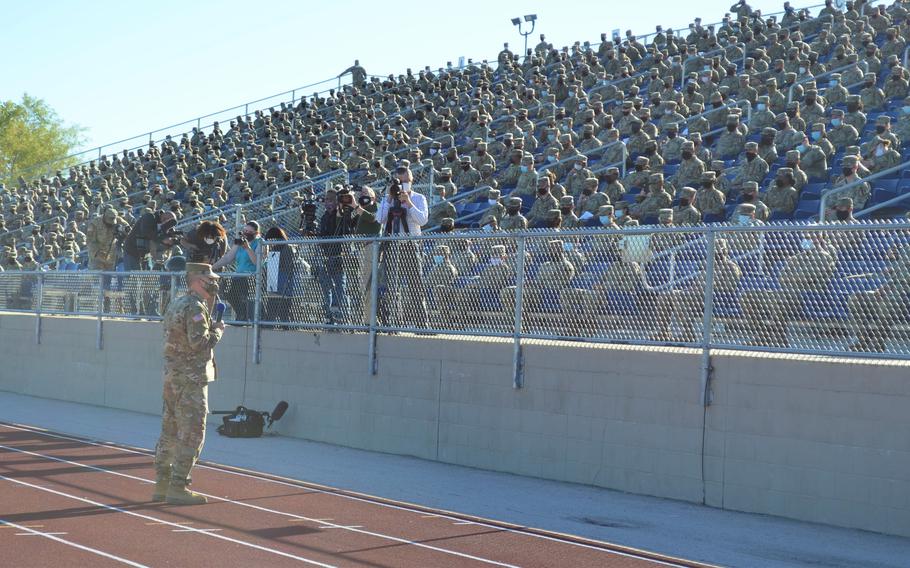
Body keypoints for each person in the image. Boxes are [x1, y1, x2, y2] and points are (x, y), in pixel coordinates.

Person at [153, 262, 224, 506]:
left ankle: (162, 483)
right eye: (209, 279)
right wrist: (218, 332)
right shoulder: (194, 306)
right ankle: (178, 485)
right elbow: (198, 342)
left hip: (172, 376)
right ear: (197, 280)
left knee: (170, 430)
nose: (214, 282)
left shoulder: (178, 302)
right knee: (192, 432)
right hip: (190, 379)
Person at [376, 162, 430, 328]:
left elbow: (423, 220)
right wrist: (390, 198)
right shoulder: (389, 199)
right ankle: (393, 323)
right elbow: (380, 219)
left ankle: (422, 324)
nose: (402, 185)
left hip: (411, 245)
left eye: (405, 181)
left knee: (416, 285)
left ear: (411, 180)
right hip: (392, 245)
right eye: (399, 182)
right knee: (392, 286)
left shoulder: (419, 198)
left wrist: (409, 203)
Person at [318, 187, 358, 325]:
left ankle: (342, 315)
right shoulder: (324, 217)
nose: (327, 203)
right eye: (326, 200)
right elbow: (322, 237)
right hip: (326, 256)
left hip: (340, 256)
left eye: (330, 200)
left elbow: (348, 230)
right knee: (326, 288)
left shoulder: (341, 215)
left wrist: (342, 212)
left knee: (340, 287)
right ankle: (328, 315)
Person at [212, 221, 263, 321]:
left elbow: (257, 262)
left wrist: (248, 248)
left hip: (251, 278)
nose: (246, 233)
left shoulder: (260, 242)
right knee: (228, 293)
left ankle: (243, 317)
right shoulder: (240, 241)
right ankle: (241, 315)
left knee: (240, 295)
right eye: (245, 230)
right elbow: (228, 258)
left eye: (249, 231)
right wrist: (212, 267)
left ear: (256, 233)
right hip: (238, 276)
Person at [262, 227, 307, 325]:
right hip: (274, 286)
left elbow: (288, 267)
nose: (270, 243)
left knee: (284, 314)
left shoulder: (287, 248)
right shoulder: (273, 250)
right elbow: (269, 267)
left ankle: (286, 325)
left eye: (271, 240)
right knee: (271, 313)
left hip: (284, 286)